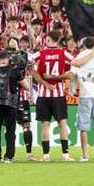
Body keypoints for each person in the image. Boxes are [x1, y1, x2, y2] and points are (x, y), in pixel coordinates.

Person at [31, 29, 74, 161]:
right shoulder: (63, 53)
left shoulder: (41, 53)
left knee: (45, 124)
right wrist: (58, 77)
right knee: (62, 123)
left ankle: (46, 155)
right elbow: (73, 71)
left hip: (43, 94)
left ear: (49, 39)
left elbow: (30, 67)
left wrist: (45, 82)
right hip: (58, 93)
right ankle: (65, 154)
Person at [0, 49, 24, 163]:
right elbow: (26, 86)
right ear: (8, 59)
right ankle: (9, 156)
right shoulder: (15, 71)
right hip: (11, 104)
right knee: (10, 130)